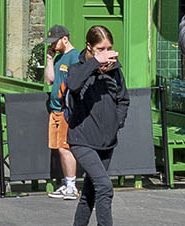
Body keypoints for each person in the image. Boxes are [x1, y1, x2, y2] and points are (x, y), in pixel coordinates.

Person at [64, 25, 128, 226]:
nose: (106, 53)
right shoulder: (78, 68)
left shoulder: (115, 71)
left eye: (109, 48)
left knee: (89, 194)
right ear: (89, 47)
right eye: (101, 49)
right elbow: (73, 84)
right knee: (104, 187)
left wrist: (116, 123)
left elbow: (123, 100)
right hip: (82, 139)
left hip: (107, 141)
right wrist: (94, 63)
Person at [45, 25, 82, 200]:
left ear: (65, 39)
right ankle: (68, 183)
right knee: (60, 147)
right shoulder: (60, 57)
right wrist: (50, 60)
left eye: (54, 42)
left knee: (65, 148)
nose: (52, 45)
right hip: (55, 110)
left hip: (65, 109)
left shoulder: (75, 57)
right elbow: (49, 80)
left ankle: (71, 186)